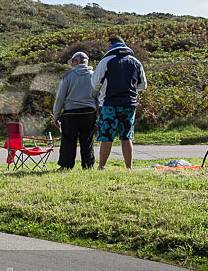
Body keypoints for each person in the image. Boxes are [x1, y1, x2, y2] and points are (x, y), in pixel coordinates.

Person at [92, 36, 148, 170]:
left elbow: (95, 83)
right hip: (129, 104)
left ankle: (101, 166)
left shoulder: (106, 61)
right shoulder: (136, 62)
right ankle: (129, 167)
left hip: (109, 104)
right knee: (126, 136)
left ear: (111, 45)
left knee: (107, 137)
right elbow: (143, 85)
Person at [53, 51, 98, 169]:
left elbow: (60, 97)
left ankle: (66, 166)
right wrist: (98, 112)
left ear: (76, 61)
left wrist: (56, 115)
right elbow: (97, 95)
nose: (71, 64)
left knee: (68, 141)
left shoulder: (68, 76)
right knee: (87, 140)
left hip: (71, 113)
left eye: (72, 61)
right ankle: (88, 165)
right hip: (89, 113)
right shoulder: (93, 76)